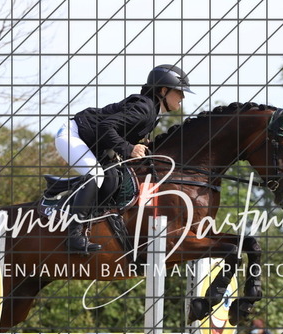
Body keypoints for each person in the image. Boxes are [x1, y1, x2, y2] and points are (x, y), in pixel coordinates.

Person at [54, 64, 193, 253]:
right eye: (179, 92)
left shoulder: (152, 111)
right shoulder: (144, 108)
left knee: (113, 179)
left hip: (94, 143)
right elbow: (105, 127)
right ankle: (74, 236)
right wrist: (129, 148)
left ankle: (85, 212)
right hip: (73, 135)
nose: (182, 97)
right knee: (97, 176)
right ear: (163, 90)